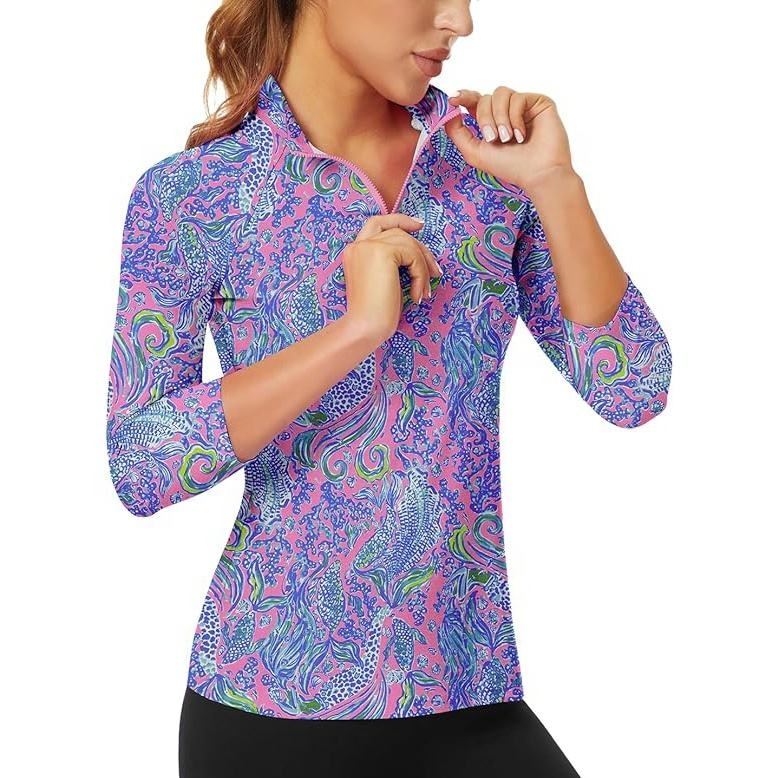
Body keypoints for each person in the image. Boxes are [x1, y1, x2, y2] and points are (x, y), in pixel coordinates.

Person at [105, 1, 672, 775]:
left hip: (467, 688)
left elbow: (632, 387)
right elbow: (141, 467)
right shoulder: (191, 195)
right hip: (268, 704)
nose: (459, 21)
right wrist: (353, 332)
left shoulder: (489, 174)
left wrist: (554, 184)